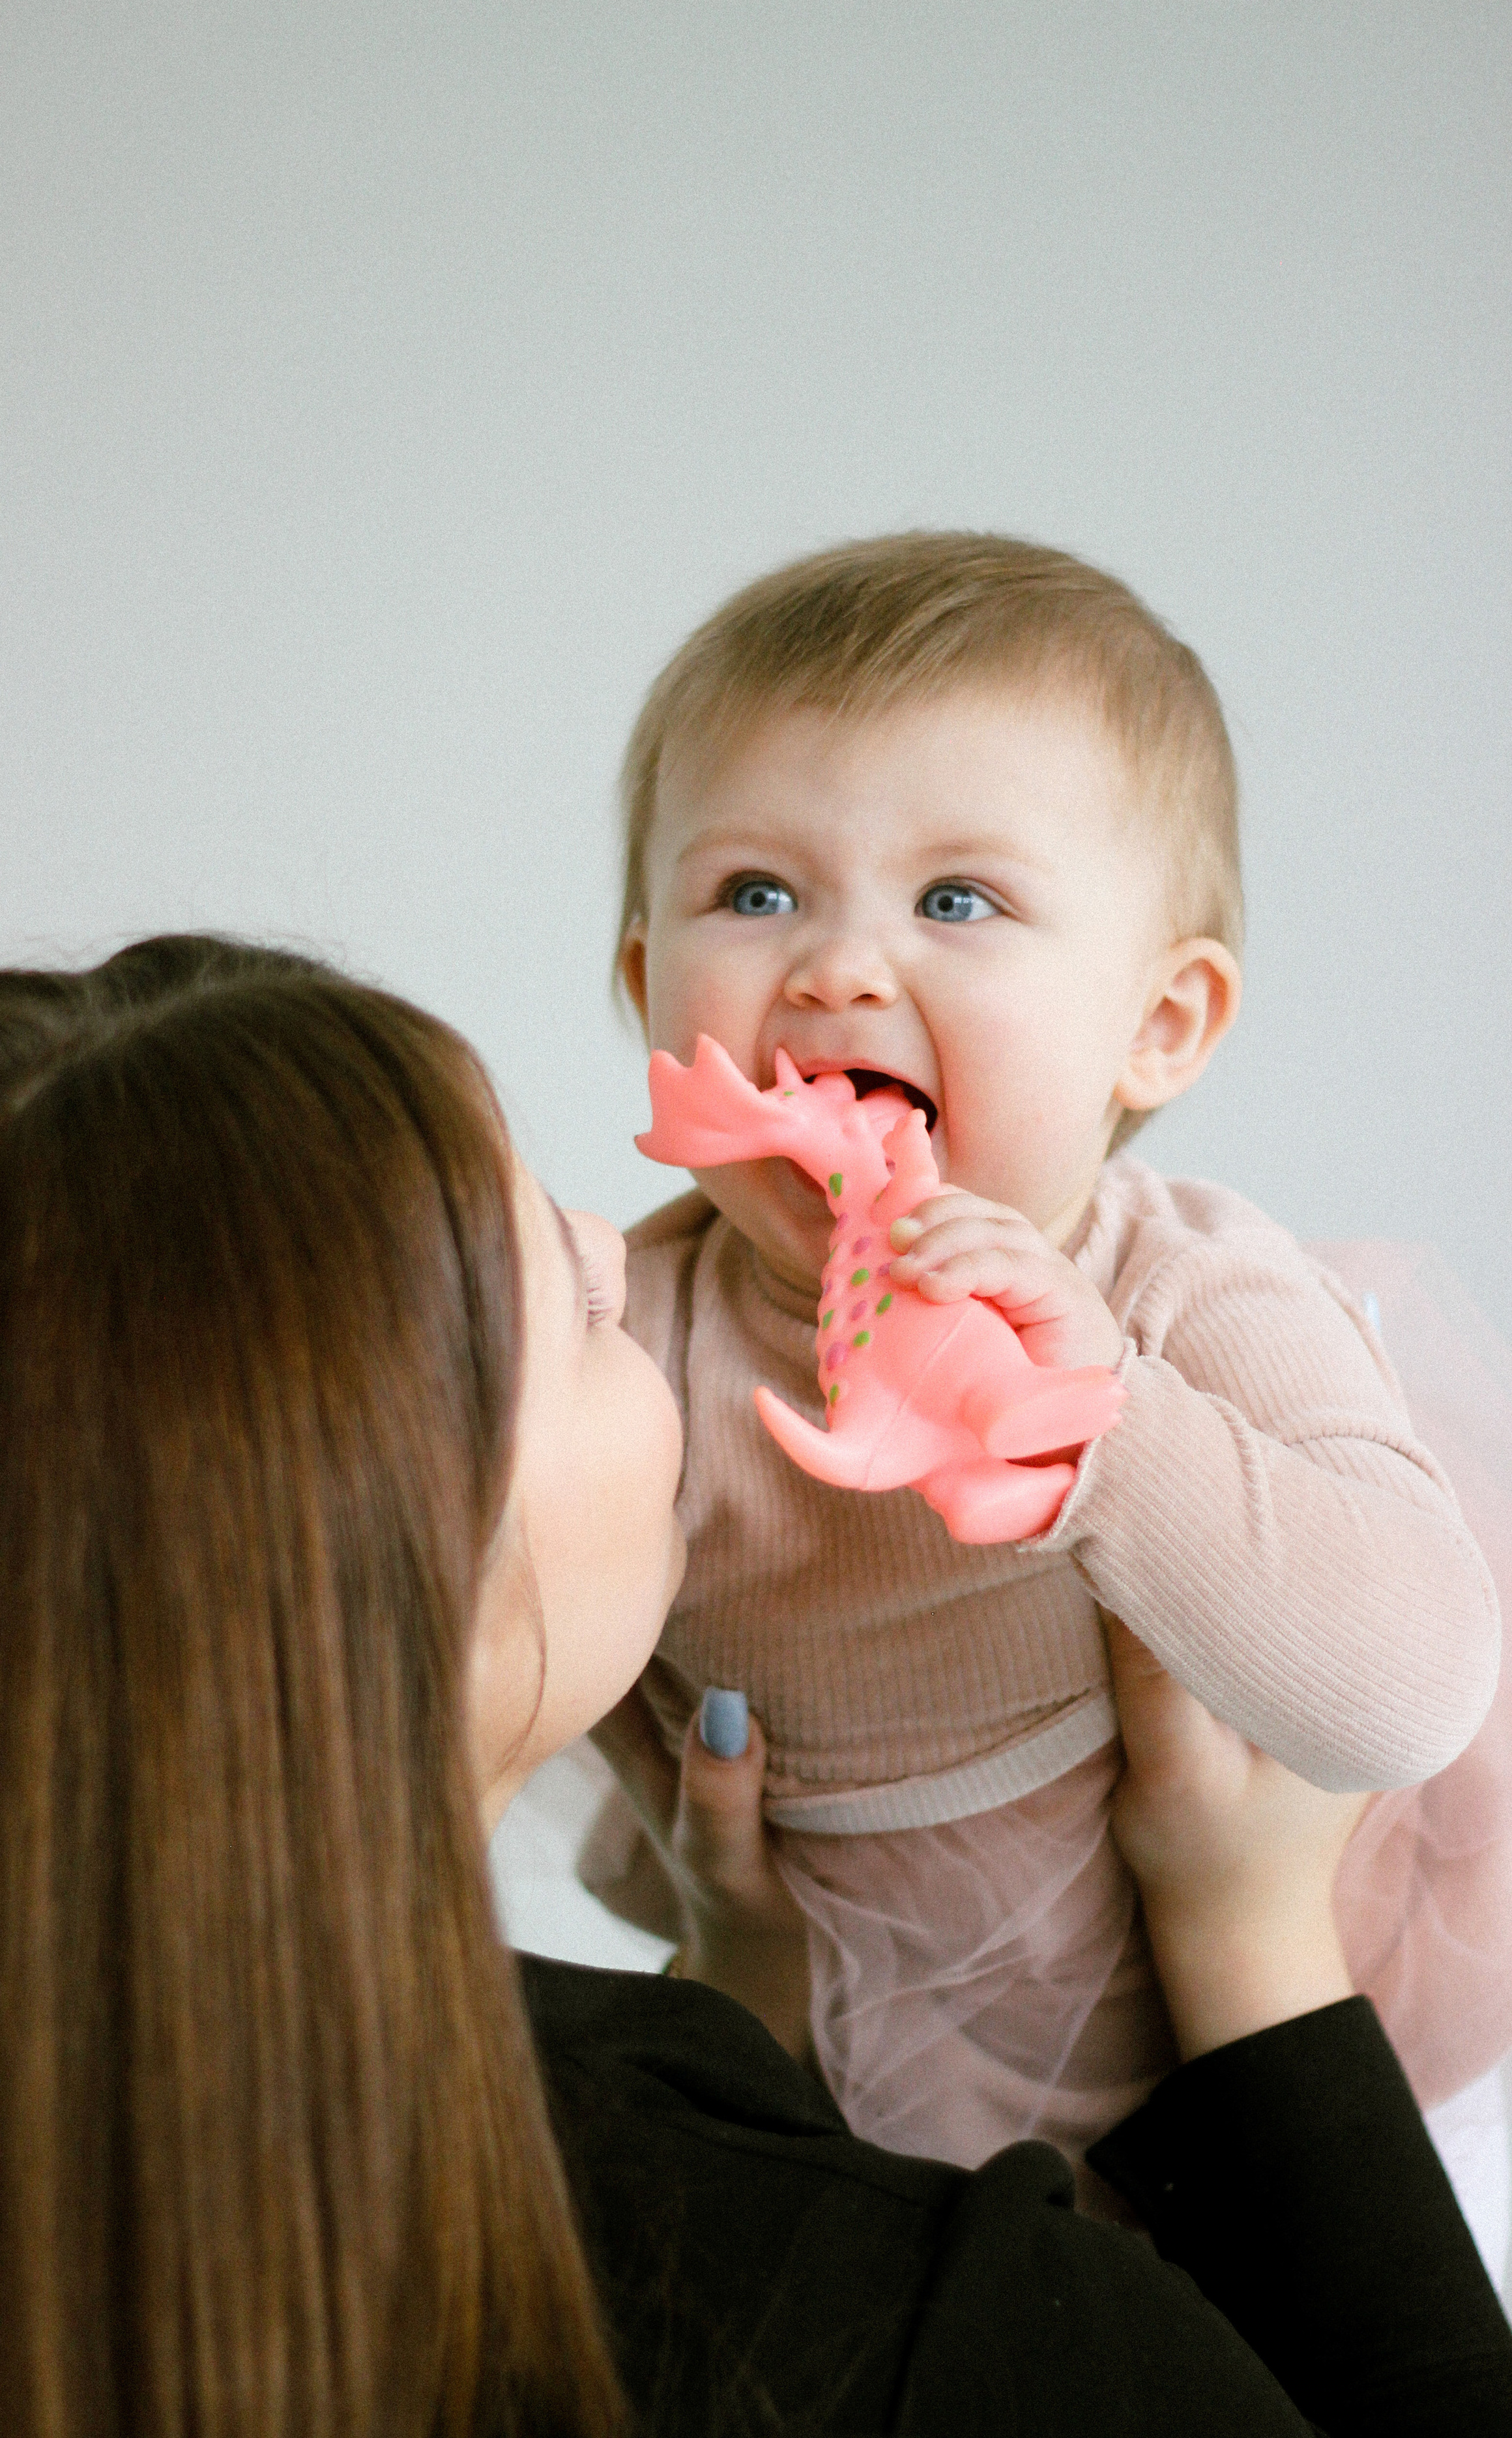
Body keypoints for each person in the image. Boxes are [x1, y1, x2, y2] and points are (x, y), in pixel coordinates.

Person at [0, 933, 1509, 2438]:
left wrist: (739, 2004)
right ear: (386, 1584)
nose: (630, 1258)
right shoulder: (940, 2371)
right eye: (574, 1308)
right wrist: (1254, 1945)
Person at [589, 529, 1512, 2239]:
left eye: (959, 903)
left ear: (1160, 1025)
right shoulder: (629, 1323)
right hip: (846, 2060)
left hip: (1207, 2057)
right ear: (649, 988)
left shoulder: (1185, 1287)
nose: (839, 970)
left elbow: (1410, 1693)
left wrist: (1106, 1439)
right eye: (754, 894)